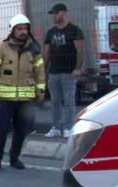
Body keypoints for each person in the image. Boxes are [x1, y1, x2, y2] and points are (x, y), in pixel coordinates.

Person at [0, 14, 45, 172]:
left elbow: (39, 71)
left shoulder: (34, 49)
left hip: (26, 98)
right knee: (2, 129)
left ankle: (14, 158)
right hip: (6, 98)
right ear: (12, 30)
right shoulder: (3, 47)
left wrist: (40, 89)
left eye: (25, 28)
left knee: (21, 130)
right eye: (19, 28)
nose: (23, 31)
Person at [44, 3, 84, 139]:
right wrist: (44, 70)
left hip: (68, 72)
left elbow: (80, 51)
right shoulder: (51, 32)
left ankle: (68, 127)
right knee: (55, 101)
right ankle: (55, 127)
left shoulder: (74, 31)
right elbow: (47, 53)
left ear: (64, 13)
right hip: (54, 72)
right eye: (53, 14)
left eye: (56, 13)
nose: (54, 16)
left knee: (69, 102)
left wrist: (77, 68)